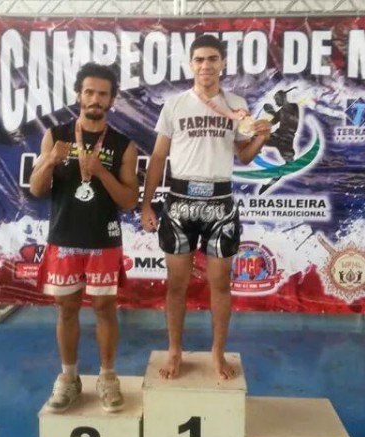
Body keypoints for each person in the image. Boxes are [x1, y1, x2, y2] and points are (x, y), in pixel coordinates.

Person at [141, 35, 271, 380]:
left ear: (222, 63)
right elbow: (158, 157)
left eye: (212, 58)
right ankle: (174, 351)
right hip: (180, 203)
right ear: (190, 64)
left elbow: (244, 156)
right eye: (199, 59)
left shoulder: (236, 105)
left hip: (220, 203)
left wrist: (261, 137)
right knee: (176, 285)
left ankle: (217, 352)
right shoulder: (175, 105)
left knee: (220, 285)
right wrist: (146, 205)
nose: (206, 65)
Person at [30, 63, 138, 413]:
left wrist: (101, 172)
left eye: (102, 94)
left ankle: (107, 376)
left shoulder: (123, 145)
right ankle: (69, 377)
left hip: (103, 239)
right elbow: (36, 189)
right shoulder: (56, 136)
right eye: (89, 92)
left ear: (111, 100)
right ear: (79, 95)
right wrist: (50, 161)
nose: (95, 99)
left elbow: (129, 201)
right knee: (67, 309)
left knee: (105, 308)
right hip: (64, 237)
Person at [258, 87, 299, 195]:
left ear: (282, 98)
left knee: (289, 165)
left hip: (286, 141)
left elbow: (287, 111)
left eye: (277, 100)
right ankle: (257, 148)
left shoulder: (293, 107)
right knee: (256, 138)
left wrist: (271, 111)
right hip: (277, 136)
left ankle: (268, 185)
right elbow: (272, 122)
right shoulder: (282, 110)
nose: (276, 103)